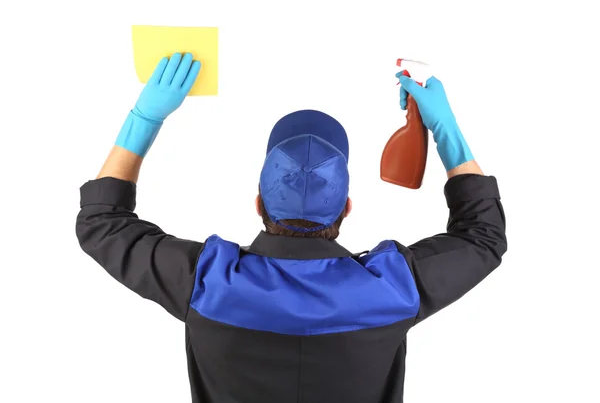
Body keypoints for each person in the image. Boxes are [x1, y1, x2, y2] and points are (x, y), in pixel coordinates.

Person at [76, 52, 507, 403]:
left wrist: (145, 119)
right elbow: (483, 236)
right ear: (347, 208)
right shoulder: (392, 289)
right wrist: (443, 129)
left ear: (260, 203)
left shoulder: (207, 283)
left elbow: (102, 223)